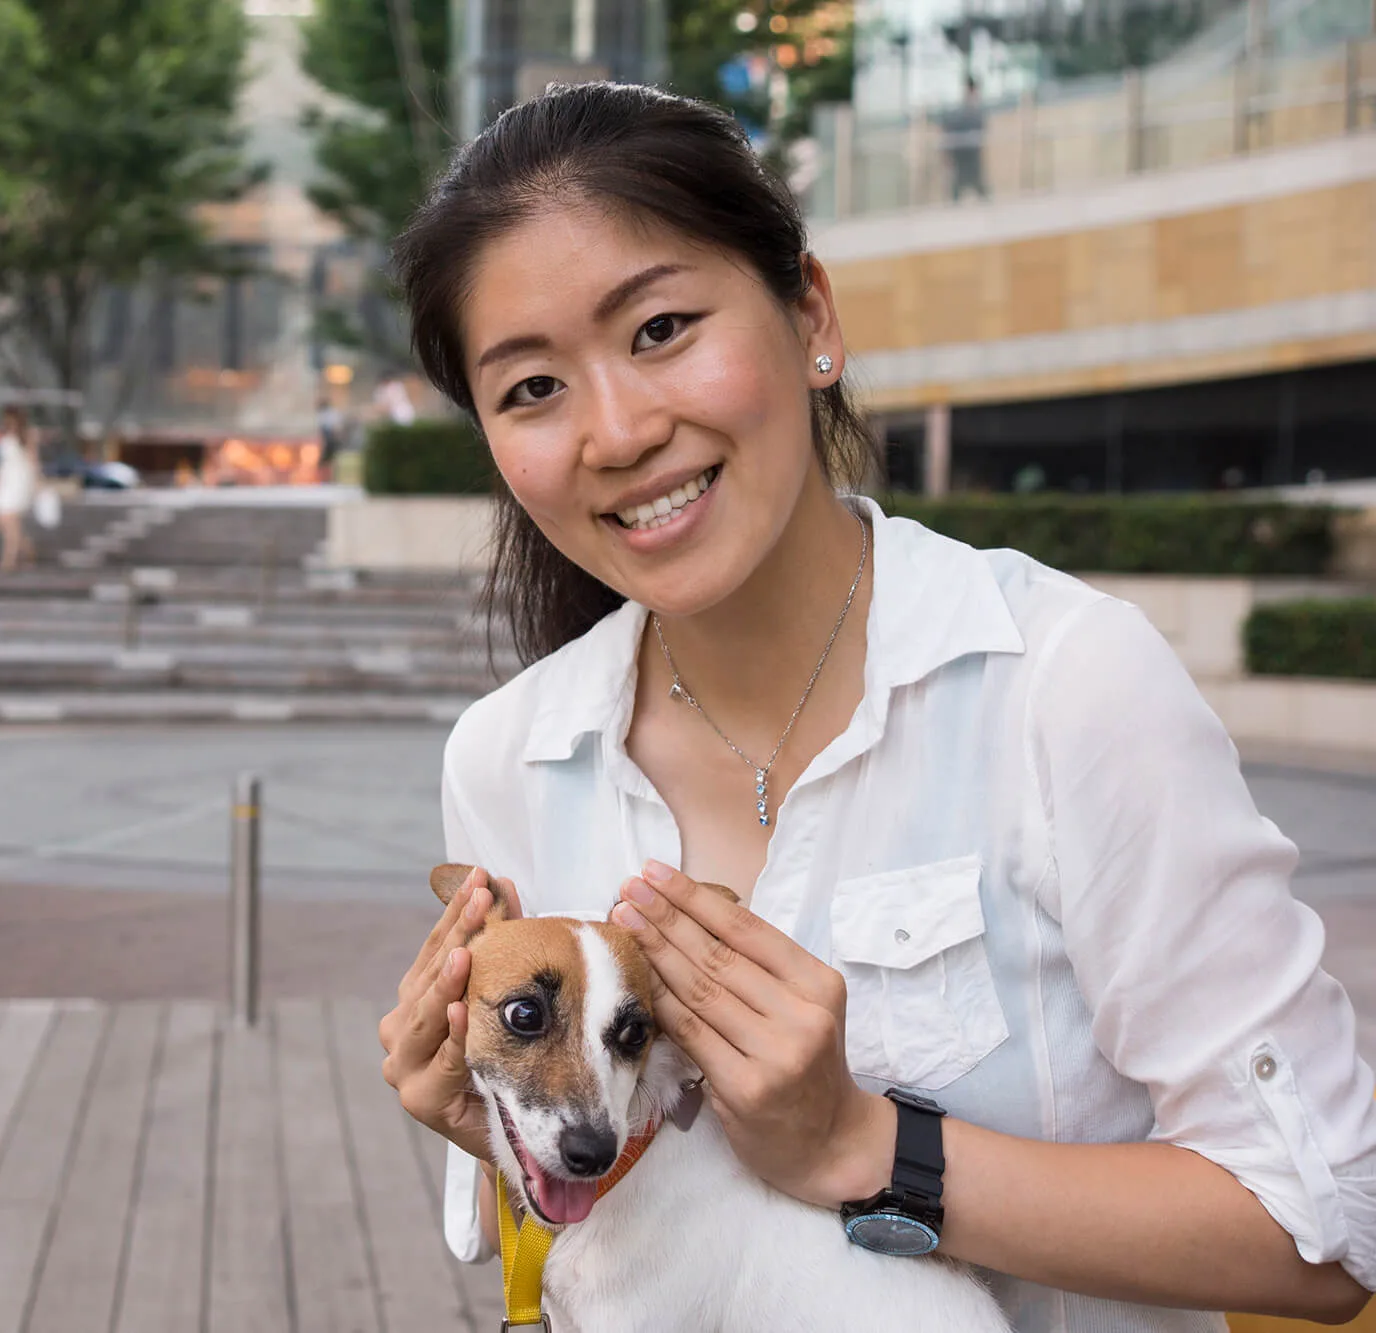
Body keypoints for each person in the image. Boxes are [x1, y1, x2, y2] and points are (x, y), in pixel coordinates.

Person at [375, 82, 1375, 1331]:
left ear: (809, 317)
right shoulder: (507, 757)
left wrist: (864, 1144)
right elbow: (589, 1241)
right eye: (530, 389)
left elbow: (1327, 1223)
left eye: (661, 327)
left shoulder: (1061, 685)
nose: (617, 430)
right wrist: (491, 1121)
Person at [0, 404, 39, 572]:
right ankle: (26, 547)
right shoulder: (4, 435)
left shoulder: (26, 435)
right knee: (2, 521)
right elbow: (2, 461)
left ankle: (8, 559)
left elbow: (33, 461)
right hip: (6, 481)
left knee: (11, 520)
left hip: (20, 480)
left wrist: (37, 485)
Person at [945, 76, 987, 202]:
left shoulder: (975, 112)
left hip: (971, 159)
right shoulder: (962, 113)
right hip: (963, 159)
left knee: (978, 188)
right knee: (959, 190)